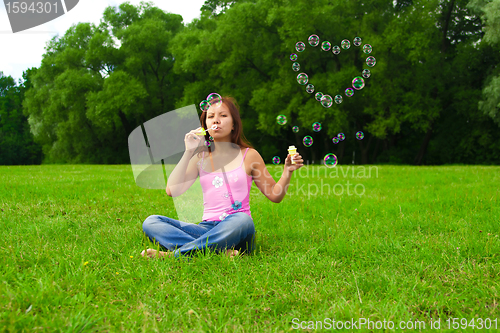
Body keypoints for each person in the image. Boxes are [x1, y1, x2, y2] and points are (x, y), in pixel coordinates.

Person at [141, 96, 304, 259]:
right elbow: (172, 190)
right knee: (151, 222)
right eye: (210, 117)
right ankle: (217, 252)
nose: (216, 120)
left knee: (242, 219)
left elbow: (275, 195)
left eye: (223, 116)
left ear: (234, 124)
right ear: (204, 126)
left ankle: (174, 255)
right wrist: (189, 151)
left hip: (237, 229)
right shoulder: (200, 157)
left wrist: (287, 171)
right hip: (206, 228)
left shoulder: (249, 155)